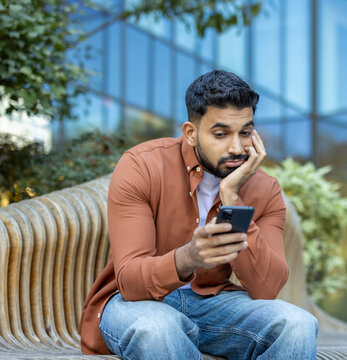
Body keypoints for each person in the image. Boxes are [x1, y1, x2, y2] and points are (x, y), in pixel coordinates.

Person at [78, 70, 318, 359]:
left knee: (298, 324)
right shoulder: (142, 166)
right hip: (136, 303)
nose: (237, 148)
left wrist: (232, 198)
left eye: (245, 132)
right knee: (158, 328)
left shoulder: (264, 189)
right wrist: (189, 257)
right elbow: (130, 282)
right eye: (221, 134)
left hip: (212, 303)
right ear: (191, 133)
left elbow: (266, 288)